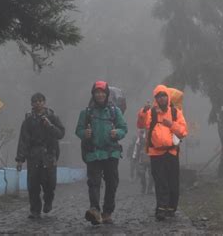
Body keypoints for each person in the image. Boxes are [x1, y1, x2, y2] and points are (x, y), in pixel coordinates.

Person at [76, 81, 128, 225]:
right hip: (93, 153)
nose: (100, 95)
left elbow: (123, 128)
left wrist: (116, 132)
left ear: (106, 94)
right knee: (94, 182)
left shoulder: (114, 111)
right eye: (97, 92)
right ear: (93, 94)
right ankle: (95, 210)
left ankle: (107, 211)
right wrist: (84, 133)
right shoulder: (86, 113)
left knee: (112, 183)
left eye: (102, 92)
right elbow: (78, 130)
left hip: (111, 153)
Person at [137, 85, 187, 221]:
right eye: (159, 96)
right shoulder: (151, 112)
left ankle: (171, 207)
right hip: (156, 153)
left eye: (164, 95)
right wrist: (143, 111)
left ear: (168, 97)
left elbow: (183, 131)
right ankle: (161, 208)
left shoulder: (176, 112)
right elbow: (141, 124)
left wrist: (171, 124)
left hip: (171, 152)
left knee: (173, 181)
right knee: (160, 181)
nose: (162, 98)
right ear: (156, 99)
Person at [16, 92, 65, 219]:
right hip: (33, 156)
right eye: (35, 101)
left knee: (49, 183)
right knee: (33, 185)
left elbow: (60, 134)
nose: (38, 103)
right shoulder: (28, 120)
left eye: (40, 101)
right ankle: (35, 210)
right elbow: (23, 140)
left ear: (44, 102)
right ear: (32, 104)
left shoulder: (52, 117)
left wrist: (50, 126)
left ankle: (48, 201)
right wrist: (20, 159)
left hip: (49, 155)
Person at [133, 129, 153, 194]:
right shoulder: (141, 136)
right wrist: (135, 157)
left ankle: (148, 189)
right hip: (143, 159)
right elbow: (137, 147)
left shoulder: (153, 135)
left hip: (150, 159)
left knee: (151, 175)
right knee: (143, 174)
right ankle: (144, 188)